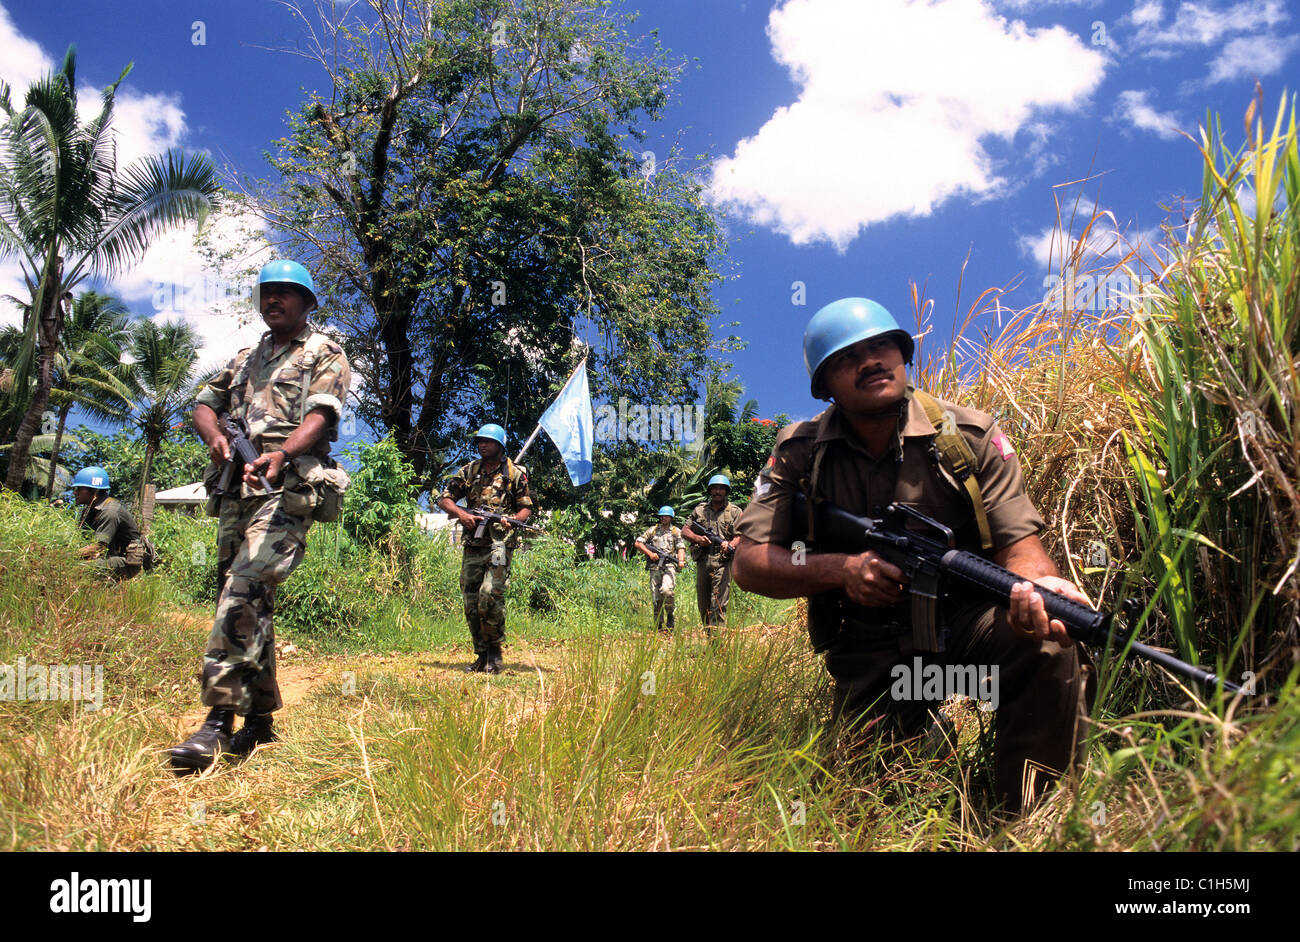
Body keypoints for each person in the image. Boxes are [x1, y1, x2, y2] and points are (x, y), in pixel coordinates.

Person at [731, 297, 1093, 814]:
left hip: (967, 627)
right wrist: (843, 570)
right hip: (870, 643)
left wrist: (1040, 589)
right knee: (859, 803)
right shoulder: (797, 453)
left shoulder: (969, 437)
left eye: (883, 346)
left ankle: (1032, 821)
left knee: (1049, 642)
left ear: (903, 355)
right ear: (825, 385)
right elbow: (749, 562)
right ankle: (922, 726)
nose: (871, 361)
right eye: (847, 357)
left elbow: (1020, 543)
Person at [167, 259, 350, 773]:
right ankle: (262, 718)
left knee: (243, 588)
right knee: (249, 599)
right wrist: (217, 437)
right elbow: (204, 403)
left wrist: (282, 454)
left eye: (287, 293)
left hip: (286, 485)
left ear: (308, 302)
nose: (274, 300)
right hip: (236, 487)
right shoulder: (245, 357)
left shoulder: (325, 353)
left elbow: (320, 416)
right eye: (267, 292)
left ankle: (217, 723)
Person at [437, 423, 534, 674]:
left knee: (490, 594)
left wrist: (511, 521)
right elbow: (445, 498)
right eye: (479, 440)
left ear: (500, 445)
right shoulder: (468, 471)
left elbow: (526, 508)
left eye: (487, 441)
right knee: (470, 599)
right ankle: (480, 654)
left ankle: (494, 652)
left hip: (500, 544)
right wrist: (462, 514)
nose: (481, 444)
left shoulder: (515, 472)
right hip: (473, 544)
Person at [682, 474, 742, 634]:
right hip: (703, 560)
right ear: (710, 490)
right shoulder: (700, 510)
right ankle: (710, 641)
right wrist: (698, 538)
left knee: (719, 604)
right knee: (704, 606)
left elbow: (741, 535)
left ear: (726, 491)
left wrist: (730, 544)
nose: (717, 491)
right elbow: (685, 530)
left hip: (722, 562)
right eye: (714, 488)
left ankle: (718, 646)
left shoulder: (735, 512)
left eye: (721, 488)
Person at [72, 466, 146, 580]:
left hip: (124, 561)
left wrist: (67, 556)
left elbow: (99, 547)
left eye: (79, 488)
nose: (75, 492)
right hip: (107, 557)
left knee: (78, 569)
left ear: (94, 491)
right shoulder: (89, 511)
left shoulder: (110, 512)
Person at [634, 506, 687, 632]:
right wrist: (650, 554)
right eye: (662, 516)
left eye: (666, 516)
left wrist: (681, 561)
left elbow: (681, 547)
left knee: (667, 591)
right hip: (654, 566)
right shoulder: (652, 530)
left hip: (668, 566)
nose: (663, 518)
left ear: (671, 517)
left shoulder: (675, 531)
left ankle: (670, 615)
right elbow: (638, 543)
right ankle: (658, 623)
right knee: (656, 596)